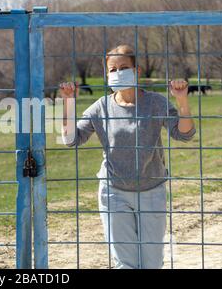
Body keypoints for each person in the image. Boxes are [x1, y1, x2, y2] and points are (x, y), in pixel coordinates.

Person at [59, 44, 196, 269]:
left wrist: (181, 100)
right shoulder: (101, 107)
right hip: (114, 193)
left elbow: (185, 134)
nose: (117, 73)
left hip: (152, 191)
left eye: (123, 67)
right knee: (125, 264)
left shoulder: (155, 102)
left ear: (137, 71)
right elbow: (71, 139)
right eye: (112, 70)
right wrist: (68, 102)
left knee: (152, 263)